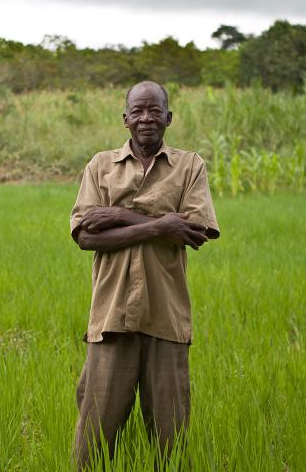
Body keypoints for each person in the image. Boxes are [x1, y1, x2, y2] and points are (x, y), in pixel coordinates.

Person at [69, 80, 220, 468]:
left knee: (171, 449)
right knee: (92, 449)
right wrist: (158, 226)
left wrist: (118, 216)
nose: (146, 118)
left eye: (155, 111)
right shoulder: (100, 166)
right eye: (138, 111)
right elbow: (86, 236)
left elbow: (196, 231)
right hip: (110, 319)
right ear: (125, 119)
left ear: (169, 117)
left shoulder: (190, 166)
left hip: (166, 320)